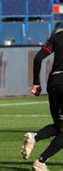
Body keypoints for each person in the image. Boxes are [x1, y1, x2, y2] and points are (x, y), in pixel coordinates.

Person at [22, 22, 63, 171]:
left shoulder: (57, 37)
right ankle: (41, 161)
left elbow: (38, 58)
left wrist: (36, 83)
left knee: (60, 127)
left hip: (53, 83)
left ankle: (35, 137)